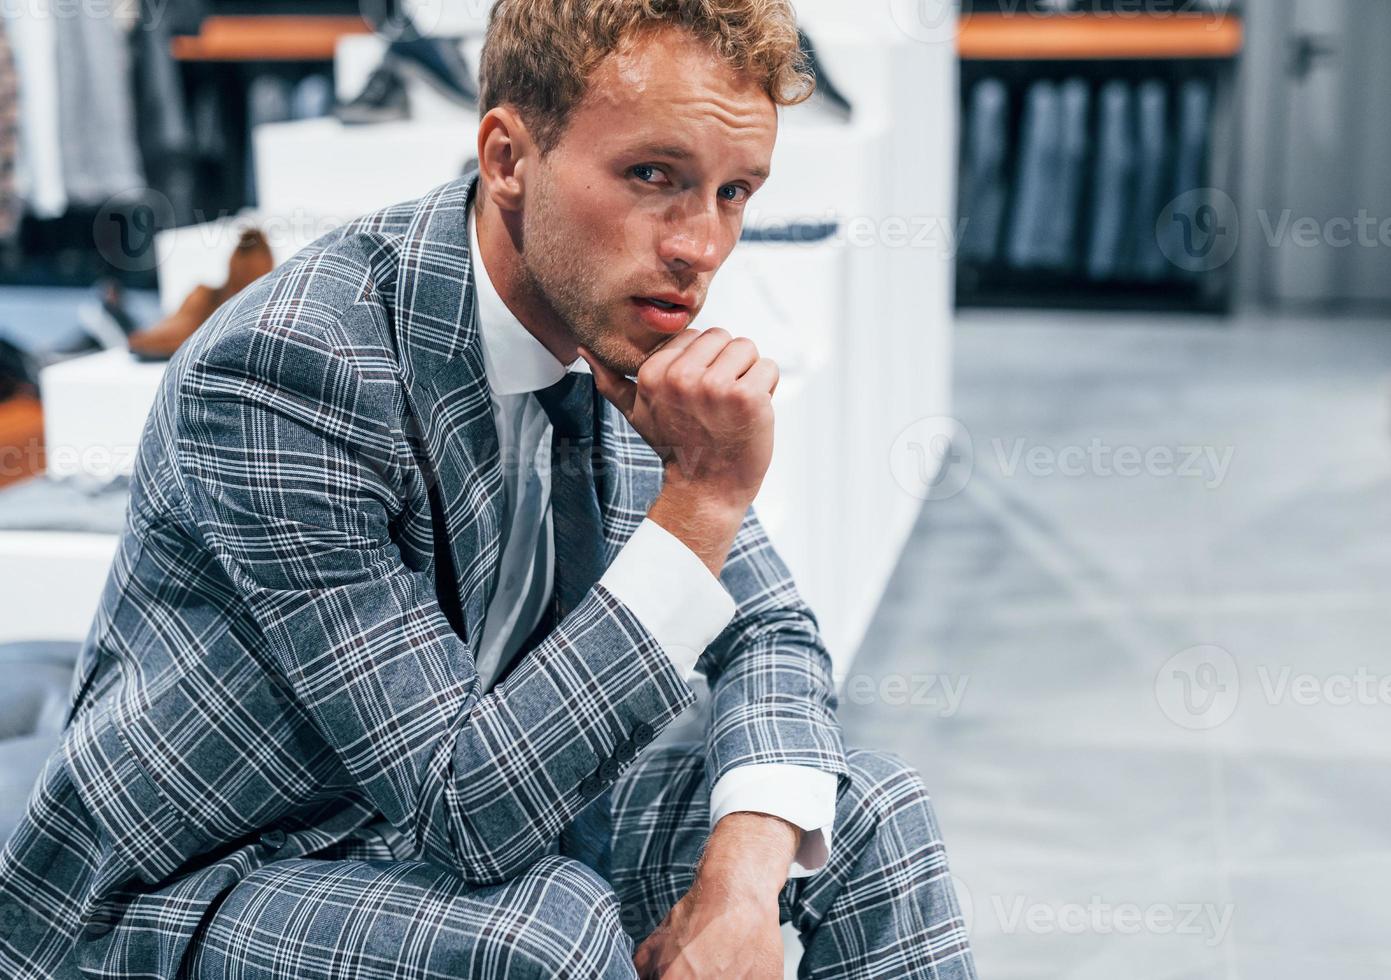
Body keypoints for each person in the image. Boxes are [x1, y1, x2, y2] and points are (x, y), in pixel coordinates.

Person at [0, 1, 976, 976]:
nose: (702, 247)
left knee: (867, 815)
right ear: (509, 158)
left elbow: (773, 632)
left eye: (733, 192)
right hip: (210, 878)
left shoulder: (618, 322)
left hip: (475, 820)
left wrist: (738, 885)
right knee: (543, 930)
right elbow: (466, 810)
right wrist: (702, 503)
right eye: (653, 176)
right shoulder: (289, 367)